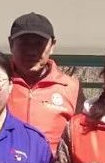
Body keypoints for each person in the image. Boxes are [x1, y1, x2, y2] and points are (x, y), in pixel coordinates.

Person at [8, 12, 85, 152]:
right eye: (24, 42)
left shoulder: (71, 87)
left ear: (52, 45)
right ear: (11, 44)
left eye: (39, 43)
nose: (31, 51)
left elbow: (82, 139)